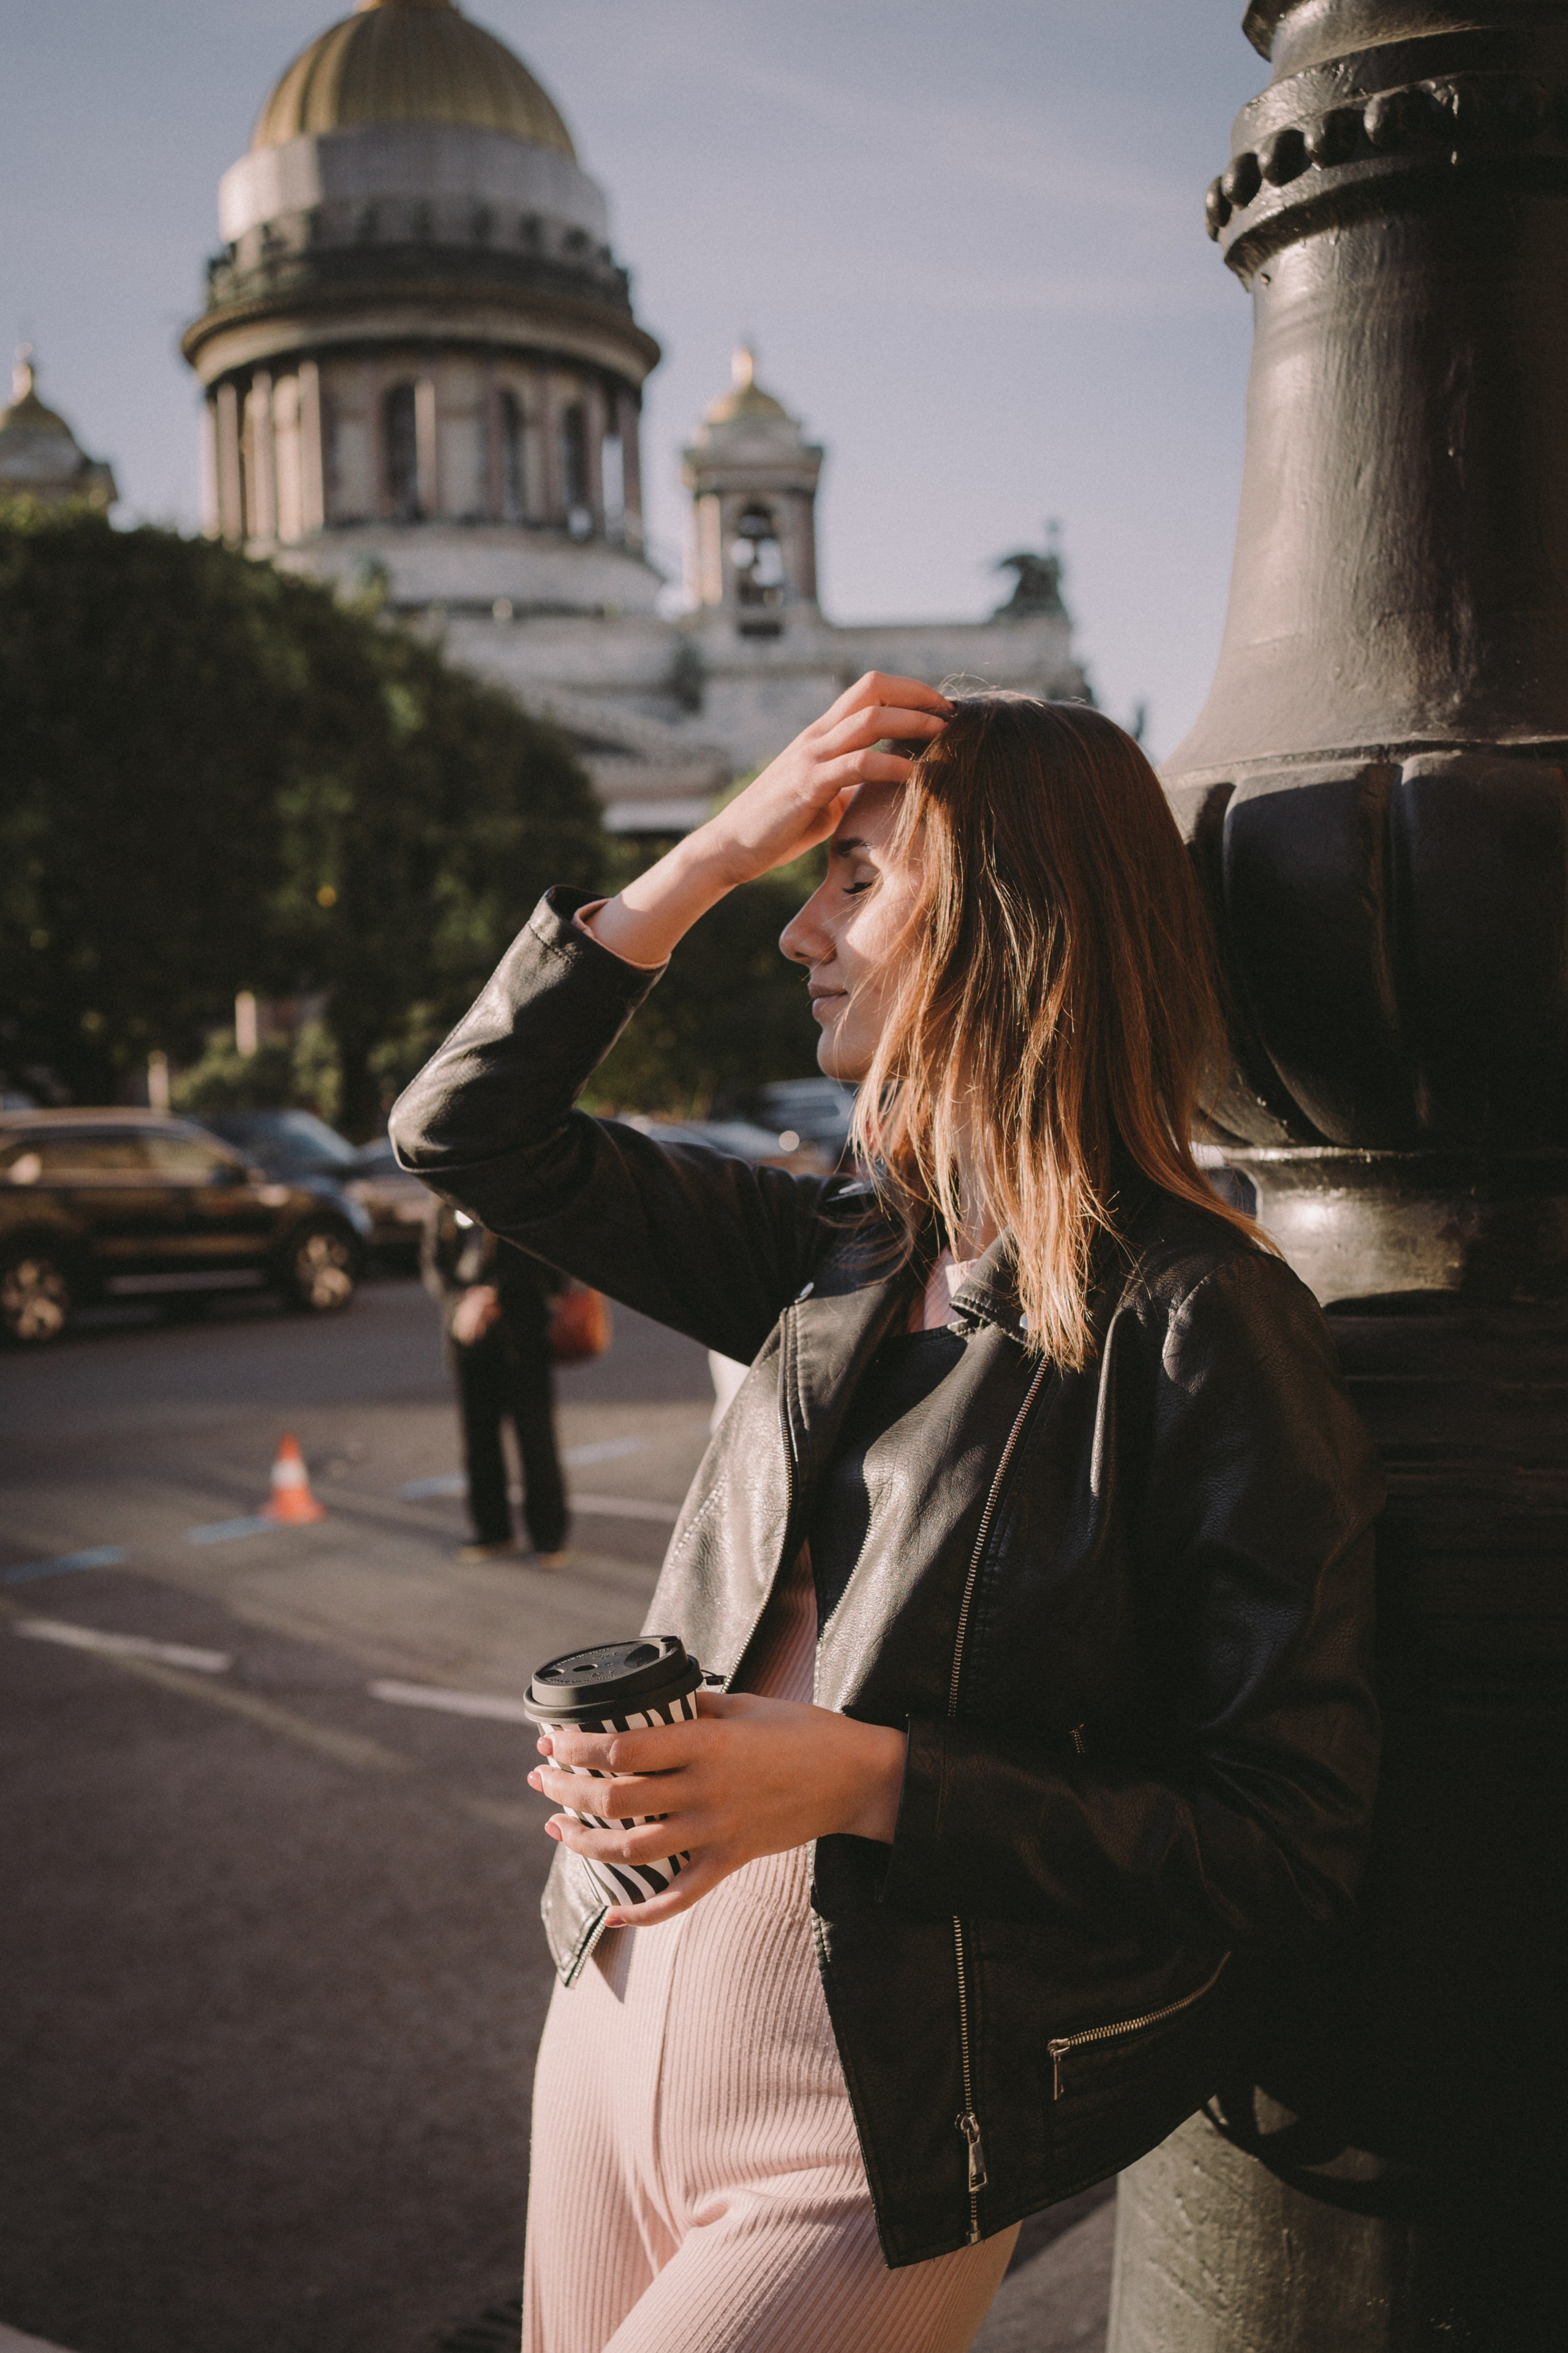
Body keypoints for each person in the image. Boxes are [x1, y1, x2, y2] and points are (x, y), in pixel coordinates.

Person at [391, 676, 1383, 2353]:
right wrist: (708, 854)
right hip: (609, 2025)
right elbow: (463, 1131)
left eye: (855, 879)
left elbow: (1287, 1840)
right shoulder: (836, 1245)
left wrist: (861, 1775)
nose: (801, 932)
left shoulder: (1203, 1319)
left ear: (1010, 921)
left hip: (867, 2140)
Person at [421, 1199, 569, 1566]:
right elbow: (434, 1263)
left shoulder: (512, 1192)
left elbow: (542, 1260)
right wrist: (463, 1300)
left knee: (535, 1437)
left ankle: (549, 1538)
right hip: (470, 1337)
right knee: (479, 1439)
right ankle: (493, 1532)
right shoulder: (443, 1205)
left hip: (521, 1335)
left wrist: (490, 1295)